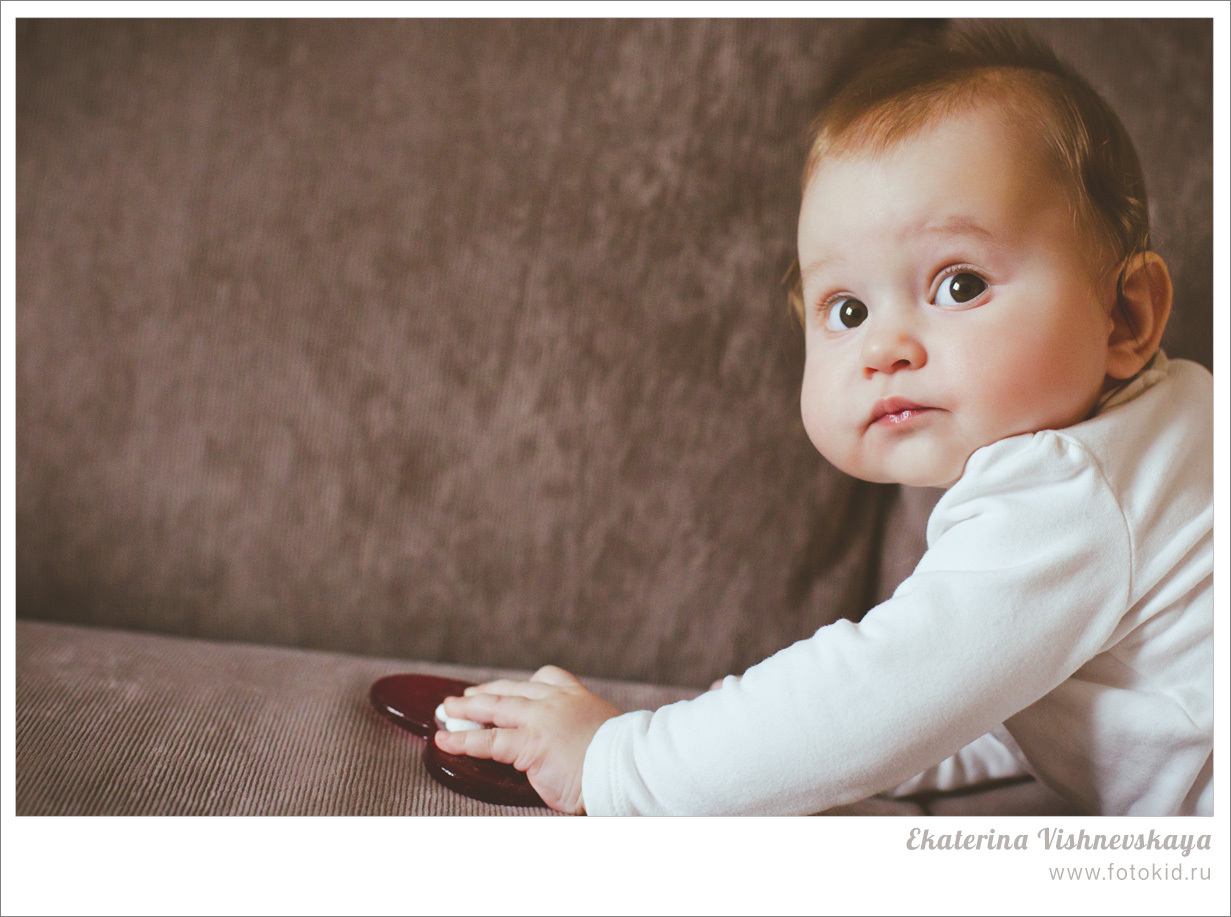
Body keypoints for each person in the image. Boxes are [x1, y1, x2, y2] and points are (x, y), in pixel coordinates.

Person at [433, 26, 1213, 816]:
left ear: (1123, 316)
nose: (885, 346)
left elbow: (887, 693)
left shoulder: (1069, 488)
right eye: (845, 309)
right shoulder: (1160, 445)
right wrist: (745, 742)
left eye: (959, 284)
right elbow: (986, 693)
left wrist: (623, 765)